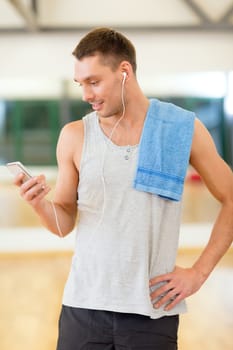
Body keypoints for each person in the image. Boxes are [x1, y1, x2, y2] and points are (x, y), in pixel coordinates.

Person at [14, 27, 233, 350]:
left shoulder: (182, 129)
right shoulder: (74, 136)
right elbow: (63, 224)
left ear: (124, 71)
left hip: (152, 310)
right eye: (80, 84)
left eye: (94, 81)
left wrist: (199, 273)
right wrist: (39, 204)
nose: (86, 94)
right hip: (83, 307)